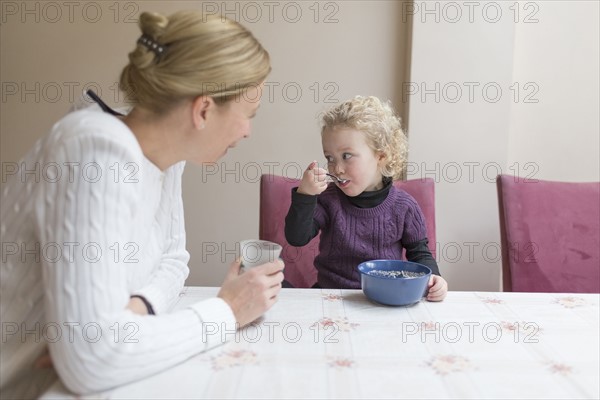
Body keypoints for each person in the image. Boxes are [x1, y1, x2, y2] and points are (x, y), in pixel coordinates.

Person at [0, 10, 284, 398]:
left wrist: (130, 316)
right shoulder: (95, 152)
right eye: (249, 114)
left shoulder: (165, 160)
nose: (249, 130)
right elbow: (94, 360)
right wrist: (228, 311)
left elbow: (173, 261)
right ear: (203, 109)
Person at [285, 96, 447, 300]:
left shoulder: (404, 207)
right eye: (330, 158)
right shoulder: (328, 199)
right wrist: (305, 194)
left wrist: (434, 278)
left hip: (383, 298)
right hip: (330, 296)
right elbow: (296, 237)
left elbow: (419, 252)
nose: (337, 168)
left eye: (347, 156)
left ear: (381, 156)